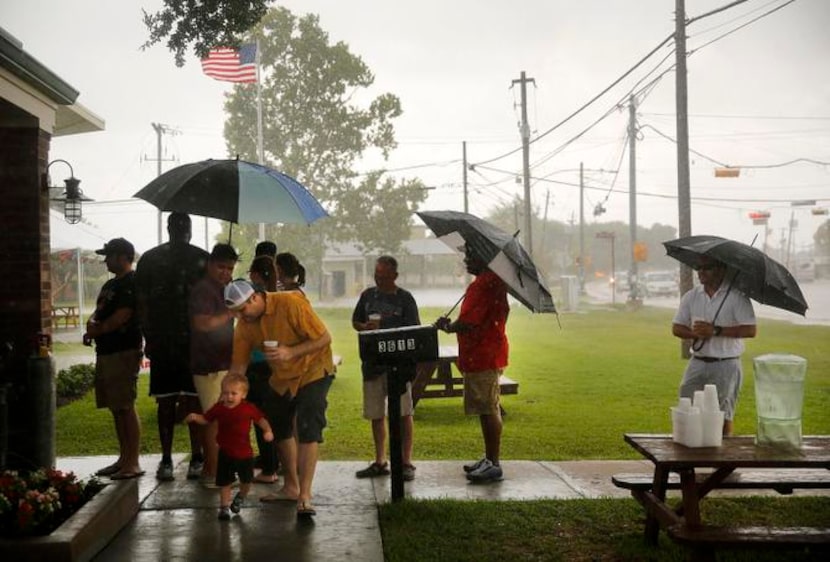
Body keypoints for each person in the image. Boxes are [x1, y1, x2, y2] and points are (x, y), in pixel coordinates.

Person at [224, 279, 335, 518]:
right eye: (236, 314)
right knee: (278, 422)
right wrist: (231, 395)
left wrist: (291, 351)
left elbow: (325, 338)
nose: (241, 317)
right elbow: (239, 365)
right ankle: (291, 487)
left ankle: (305, 495)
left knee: (307, 424)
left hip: (314, 370)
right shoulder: (244, 325)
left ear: (255, 297)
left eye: (242, 310)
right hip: (283, 378)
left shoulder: (290, 303)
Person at [135, 212, 208, 482]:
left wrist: (149, 336)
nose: (180, 229)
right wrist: (149, 336)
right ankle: (173, 458)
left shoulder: (200, 258)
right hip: (169, 341)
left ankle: (194, 456)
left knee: (188, 400)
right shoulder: (155, 259)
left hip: (188, 341)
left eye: (182, 225)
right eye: (178, 225)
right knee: (176, 401)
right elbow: (141, 302)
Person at [435, 246, 509, 483]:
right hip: (487, 352)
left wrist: (447, 326)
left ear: (484, 257)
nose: (466, 260)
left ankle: (494, 463)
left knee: (488, 408)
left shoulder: (483, 285)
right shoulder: (493, 282)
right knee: (488, 407)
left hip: (483, 354)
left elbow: (469, 322)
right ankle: (489, 458)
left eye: (470, 255)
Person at [352, 256, 420, 481]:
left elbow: (413, 329)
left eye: (384, 276)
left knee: (403, 413)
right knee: (376, 413)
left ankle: (406, 462)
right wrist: (365, 327)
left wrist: (387, 326)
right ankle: (380, 461)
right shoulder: (367, 296)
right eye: (377, 276)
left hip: (399, 365)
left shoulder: (405, 299)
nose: (379, 280)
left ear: (395, 276)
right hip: (372, 364)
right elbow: (356, 321)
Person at [671, 256, 756, 436]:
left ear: (721, 270)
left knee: (722, 414)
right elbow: (677, 327)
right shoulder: (692, 296)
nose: (700, 271)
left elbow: (750, 330)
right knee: (686, 407)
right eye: (698, 267)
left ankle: (722, 460)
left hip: (726, 364)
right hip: (698, 362)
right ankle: (687, 457)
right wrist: (695, 334)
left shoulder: (737, 297)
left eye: (706, 267)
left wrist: (716, 330)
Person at [84, 238, 144, 480]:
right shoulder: (111, 284)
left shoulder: (132, 282)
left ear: (123, 256)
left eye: (109, 255)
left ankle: (133, 462)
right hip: (107, 351)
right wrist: (91, 326)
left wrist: (97, 330)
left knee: (125, 405)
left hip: (123, 350)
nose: (105, 260)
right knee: (115, 407)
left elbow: (123, 315)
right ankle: (123, 459)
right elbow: (99, 312)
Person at [185, 373, 274, 521]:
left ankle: (240, 497)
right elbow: (206, 419)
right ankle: (224, 507)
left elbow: (261, 420)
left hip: (244, 454)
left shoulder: (248, 408)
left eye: (234, 393)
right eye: (225, 393)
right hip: (225, 452)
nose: (229, 397)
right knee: (224, 482)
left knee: (246, 481)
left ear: (243, 394)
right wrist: (195, 417)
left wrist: (268, 430)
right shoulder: (219, 408)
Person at [189, 243, 238, 488]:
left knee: (223, 418)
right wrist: (230, 313)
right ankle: (212, 471)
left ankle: (219, 469)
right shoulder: (203, 290)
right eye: (221, 267)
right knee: (213, 419)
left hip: (222, 361)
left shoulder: (223, 289)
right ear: (209, 264)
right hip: (208, 364)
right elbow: (203, 324)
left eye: (230, 268)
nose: (226, 272)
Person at [245, 254, 280, 483]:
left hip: (258, 362)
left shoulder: (255, 299)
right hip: (276, 364)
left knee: (260, 417)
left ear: (256, 275)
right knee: (275, 417)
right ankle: (274, 463)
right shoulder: (278, 297)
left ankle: (269, 469)